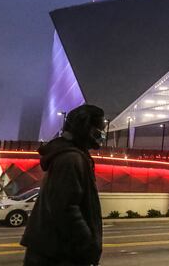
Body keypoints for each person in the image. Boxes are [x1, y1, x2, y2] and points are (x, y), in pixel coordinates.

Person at [21, 104, 107, 266]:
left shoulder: (72, 156)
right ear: (86, 128)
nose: (101, 135)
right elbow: (65, 208)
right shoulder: (70, 159)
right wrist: (87, 245)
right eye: (99, 129)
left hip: (58, 252)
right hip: (59, 255)